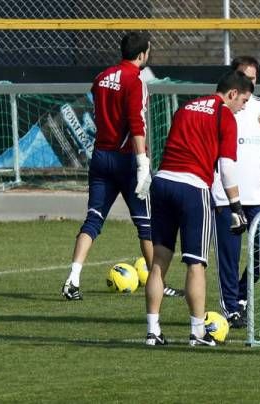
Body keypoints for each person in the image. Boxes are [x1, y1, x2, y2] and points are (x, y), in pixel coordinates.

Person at [61, 32, 182, 300]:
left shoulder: (102, 76)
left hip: (101, 155)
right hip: (126, 157)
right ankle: (158, 282)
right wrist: (142, 163)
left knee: (93, 219)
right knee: (146, 224)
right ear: (142, 55)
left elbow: (98, 106)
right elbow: (136, 124)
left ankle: (73, 278)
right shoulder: (135, 80)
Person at [144, 70, 253, 346]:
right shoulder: (224, 114)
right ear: (231, 94)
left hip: (163, 181)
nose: (242, 108)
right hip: (192, 188)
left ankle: (153, 330)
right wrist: (237, 207)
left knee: (158, 262)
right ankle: (197, 331)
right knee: (196, 263)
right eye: (243, 101)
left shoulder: (185, 107)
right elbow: (227, 168)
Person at [211, 56, 260, 329]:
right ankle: (230, 308)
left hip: (259, 195)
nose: (249, 82)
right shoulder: (222, 109)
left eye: (253, 78)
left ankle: (242, 294)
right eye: (244, 76)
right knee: (229, 256)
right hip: (226, 195)